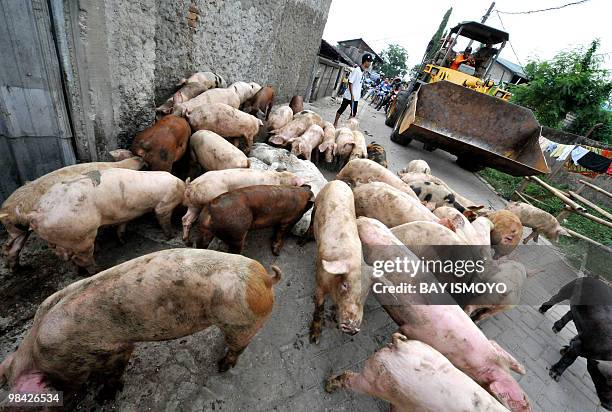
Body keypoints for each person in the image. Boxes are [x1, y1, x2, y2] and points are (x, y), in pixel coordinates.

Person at [334, 53, 373, 127]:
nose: (370, 64)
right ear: (366, 62)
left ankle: (347, 127)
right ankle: (335, 123)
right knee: (342, 109)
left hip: (356, 97)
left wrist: (356, 96)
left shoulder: (362, 72)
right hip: (349, 96)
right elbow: (350, 82)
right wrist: (352, 95)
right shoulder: (357, 70)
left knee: (353, 113)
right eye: (369, 62)